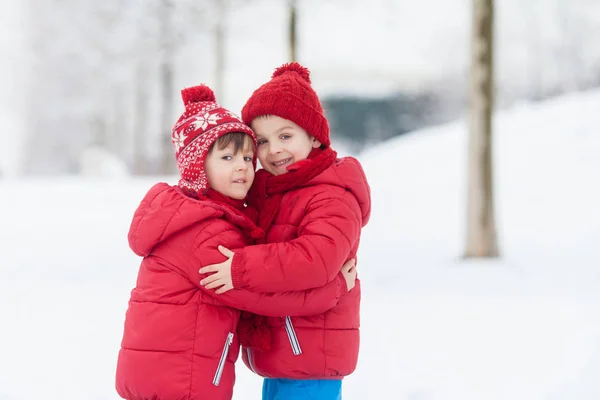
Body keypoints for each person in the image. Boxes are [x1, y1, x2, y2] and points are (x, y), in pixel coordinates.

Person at [115, 84, 357, 400]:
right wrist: (336, 288)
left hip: (176, 373)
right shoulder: (204, 231)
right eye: (228, 157)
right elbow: (258, 297)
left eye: (246, 156)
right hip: (181, 380)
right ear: (198, 167)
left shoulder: (194, 215)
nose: (243, 165)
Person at [199, 62, 371, 400]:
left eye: (286, 136)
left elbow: (315, 259)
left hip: (311, 357)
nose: (274, 149)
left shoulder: (331, 195)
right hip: (285, 353)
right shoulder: (276, 193)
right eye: (262, 140)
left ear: (314, 137)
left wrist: (241, 268)